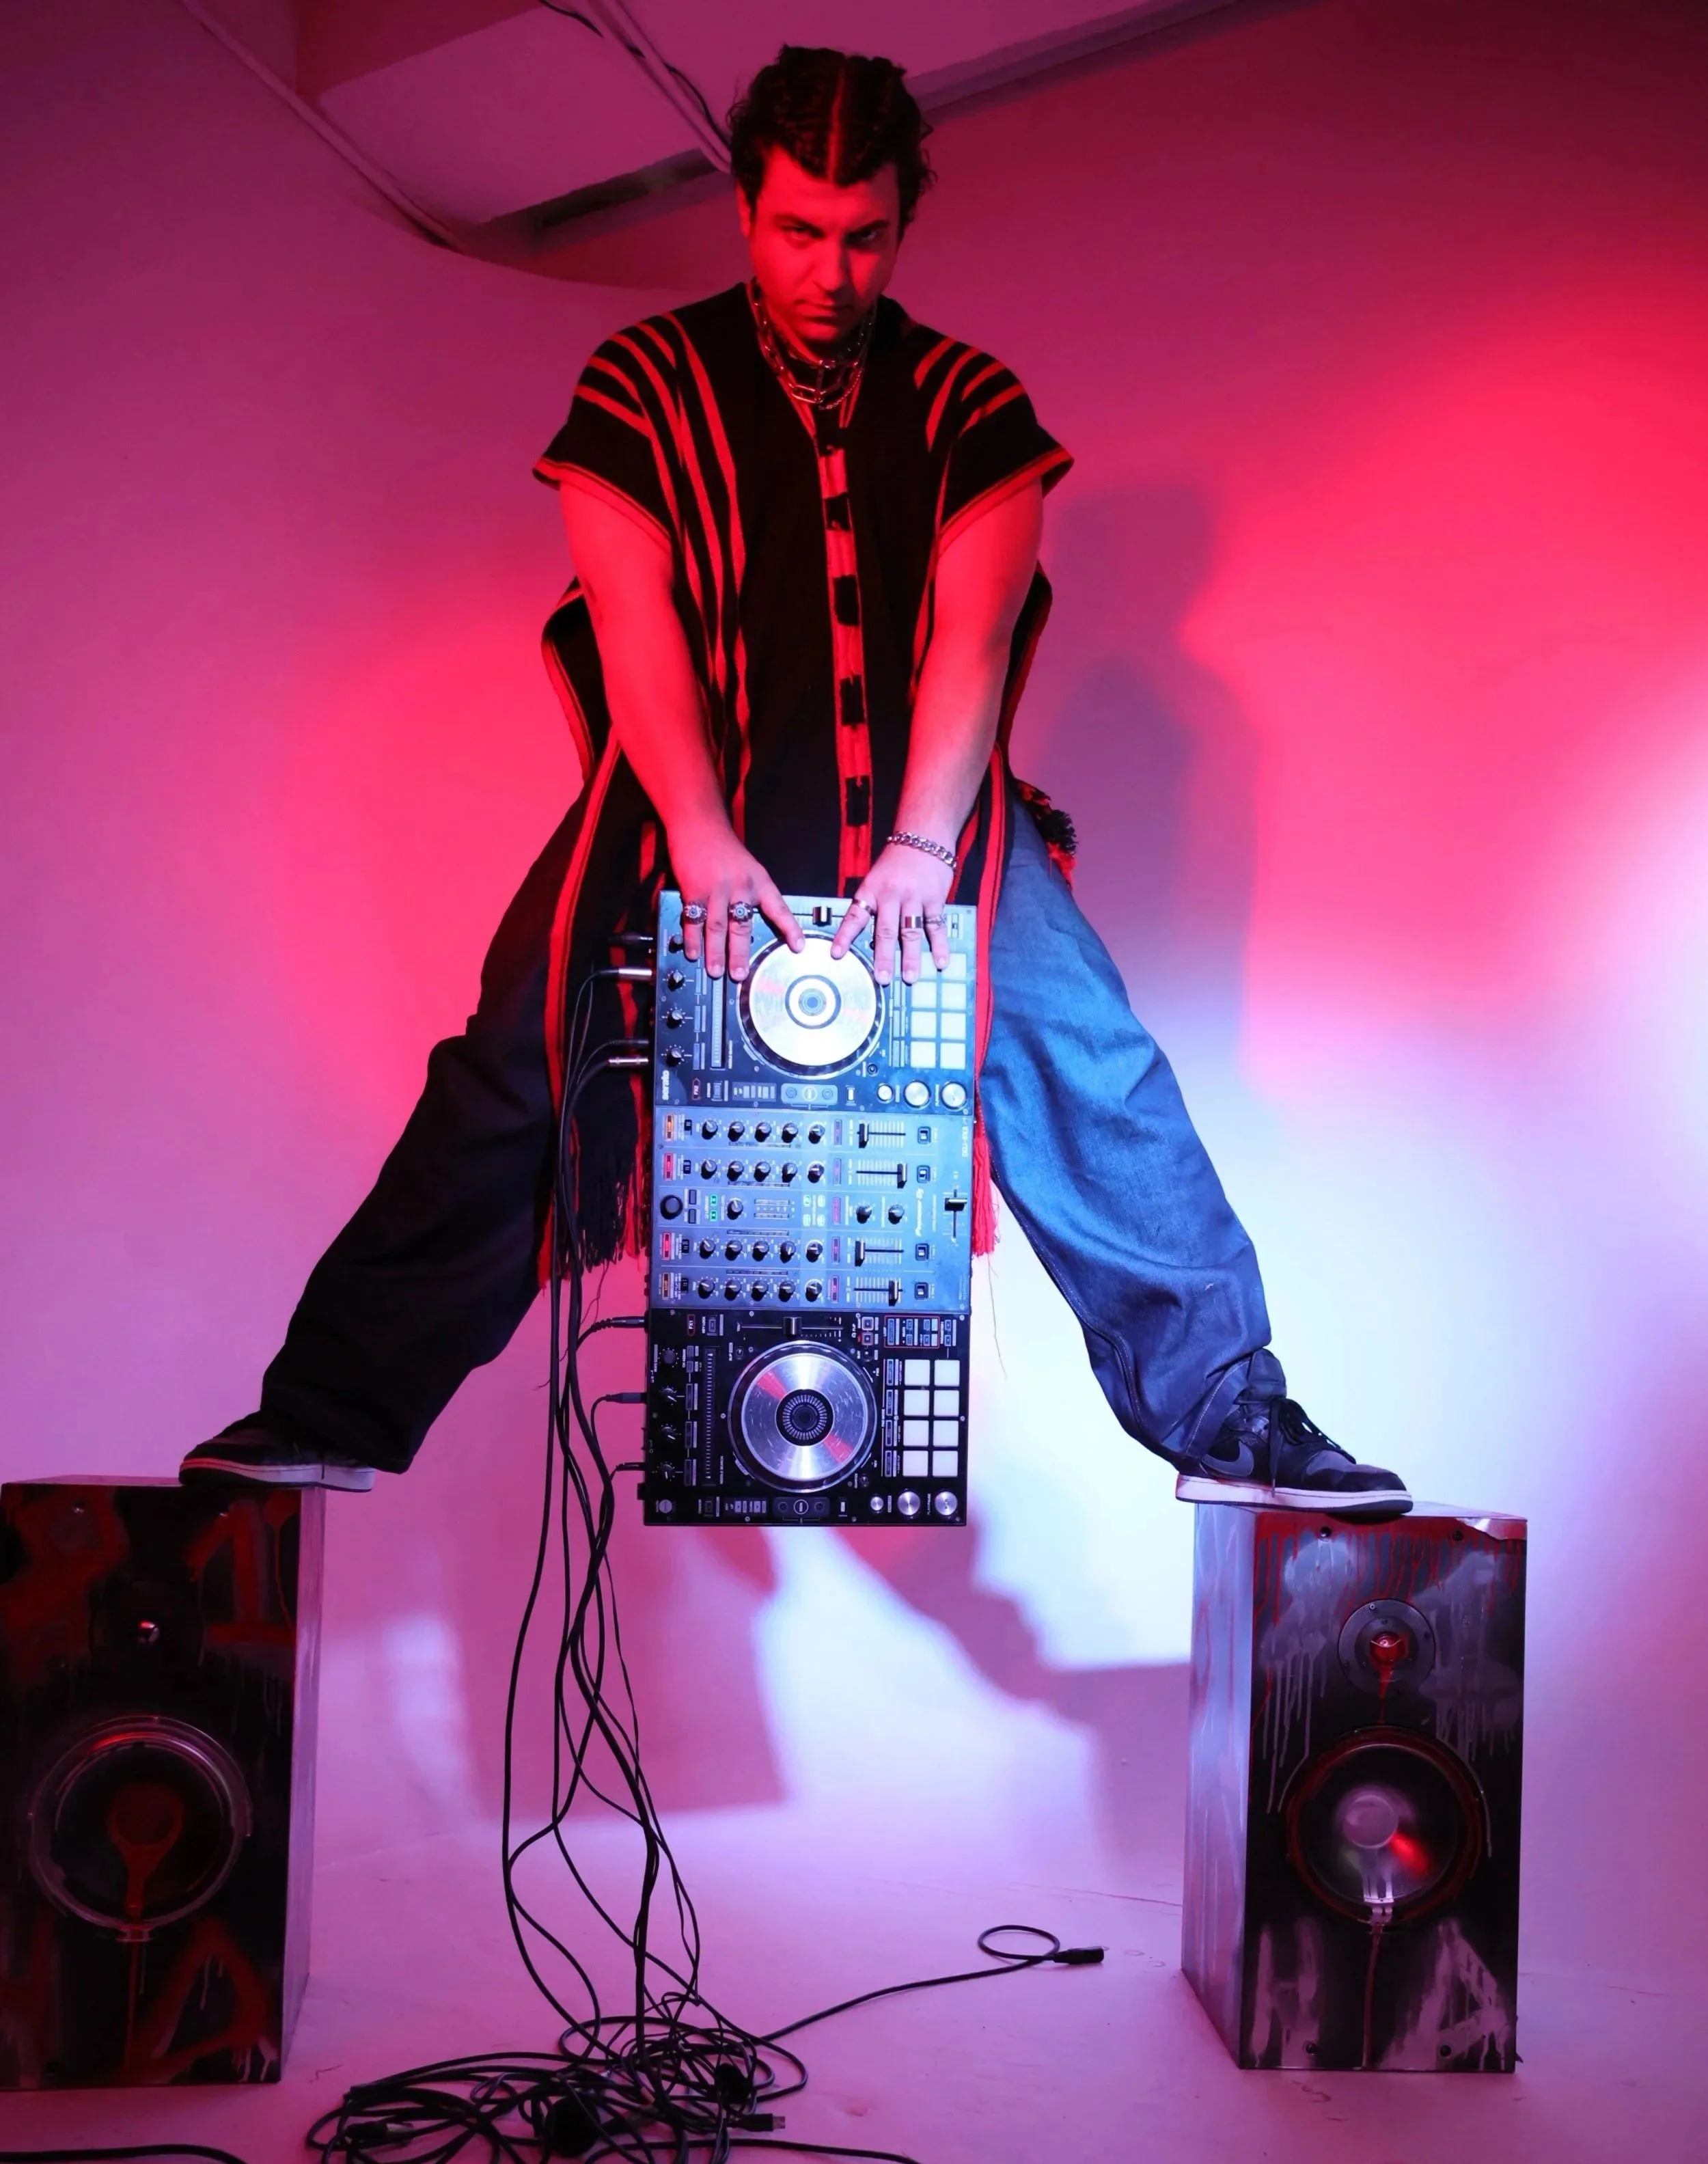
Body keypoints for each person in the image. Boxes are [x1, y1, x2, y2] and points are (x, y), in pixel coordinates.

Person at [180, 46, 1409, 1519]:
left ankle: (1230, 1415)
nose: (830, 269)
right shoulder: (637, 382)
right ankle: (322, 1409)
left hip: (933, 820)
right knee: (513, 1066)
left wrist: (916, 847)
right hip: (677, 809)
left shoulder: (970, 401)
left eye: (864, 234)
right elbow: (632, 635)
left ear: (903, 224)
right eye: (797, 229)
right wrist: (697, 841)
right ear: (744, 209)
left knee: (1092, 1067)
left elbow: (971, 643)